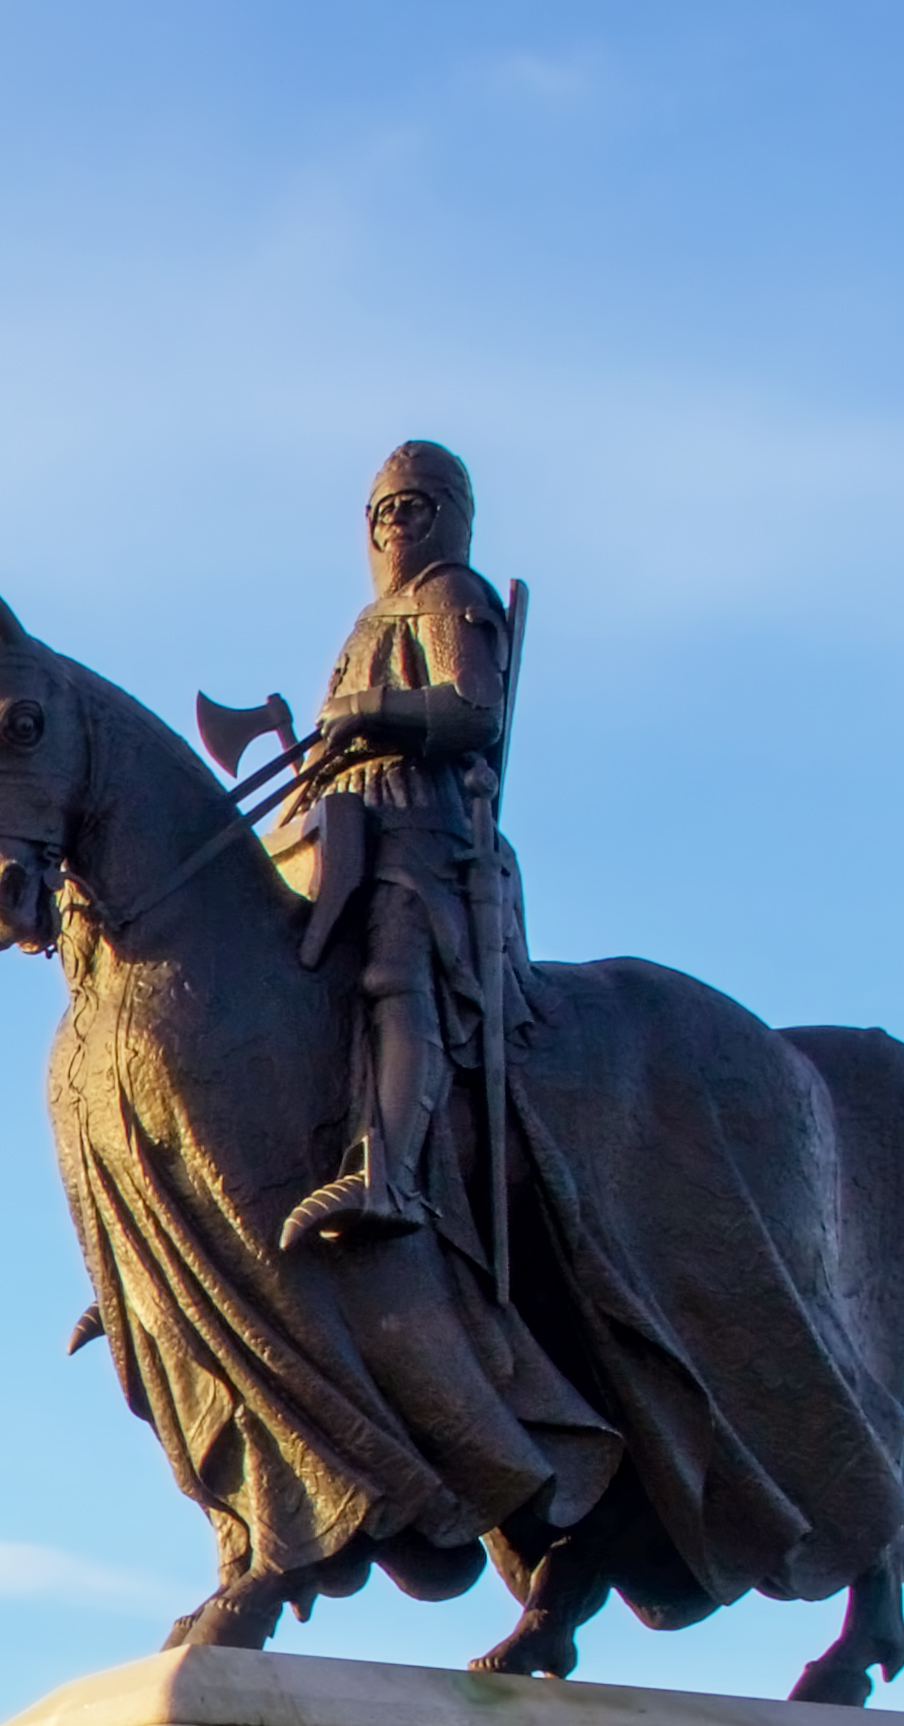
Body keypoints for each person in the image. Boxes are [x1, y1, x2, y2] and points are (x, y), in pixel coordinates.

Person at [269, 440, 521, 1252]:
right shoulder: (363, 624)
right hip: (343, 820)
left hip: (422, 825)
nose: (391, 527)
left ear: (447, 516)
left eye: (408, 507)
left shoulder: (450, 594)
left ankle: (391, 1172)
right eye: (380, 512)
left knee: (394, 963)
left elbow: (474, 709)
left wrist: (375, 709)